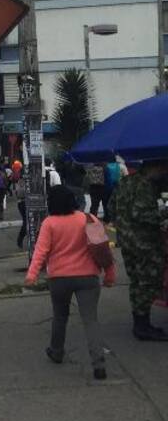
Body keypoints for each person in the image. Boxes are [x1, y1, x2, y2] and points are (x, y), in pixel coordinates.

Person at [24, 185, 114, 380]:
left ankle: (56, 351)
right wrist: (109, 274)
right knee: (90, 320)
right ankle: (99, 364)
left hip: (59, 279)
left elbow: (41, 251)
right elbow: (104, 250)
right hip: (88, 278)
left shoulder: (49, 223)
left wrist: (32, 275)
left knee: (59, 316)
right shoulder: (88, 219)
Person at [111, 159, 168, 341]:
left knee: (136, 282)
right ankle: (143, 326)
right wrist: (164, 214)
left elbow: (112, 208)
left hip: (127, 242)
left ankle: (140, 323)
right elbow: (142, 214)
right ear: (155, 168)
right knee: (147, 283)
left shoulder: (125, 182)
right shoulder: (144, 185)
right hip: (144, 243)